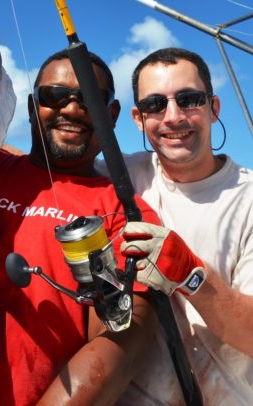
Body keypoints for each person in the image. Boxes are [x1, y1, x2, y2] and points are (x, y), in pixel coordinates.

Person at [0, 49, 167, 405]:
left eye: (90, 99)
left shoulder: (124, 214)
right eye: (54, 96)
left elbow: (127, 331)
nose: (71, 109)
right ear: (32, 108)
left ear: (112, 115)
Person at [115, 47, 253, 404]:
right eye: (155, 105)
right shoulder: (118, 175)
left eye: (189, 99)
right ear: (137, 118)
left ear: (214, 107)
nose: (173, 116)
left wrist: (191, 274)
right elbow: (30, 165)